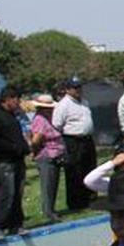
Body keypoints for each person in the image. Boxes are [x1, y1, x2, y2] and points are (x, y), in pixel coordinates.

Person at [0, 86, 31, 240]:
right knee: (7, 193)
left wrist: (24, 147)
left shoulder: (12, 116)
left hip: (17, 160)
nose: (18, 103)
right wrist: (13, 147)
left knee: (17, 193)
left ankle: (16, 224)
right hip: (5, 161)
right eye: (16, 99)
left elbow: (18, 136)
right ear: (8, 99)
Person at [52, 77, 96, 211]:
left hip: (87, 139)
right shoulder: (63, 105)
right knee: (75, 171)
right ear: (67, 89)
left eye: (79, 87)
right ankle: (76, 202)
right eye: (75, 88)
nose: (78, 90)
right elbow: (57, 124)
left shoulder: (84, 102)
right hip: (73, 140)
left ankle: (90, 198)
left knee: (89, 168)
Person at [30, 94, 65, 224]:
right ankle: (48, 211)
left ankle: (51, 209)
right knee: (47, 184)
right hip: (46, 155)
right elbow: (36, 139)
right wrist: (36, 150)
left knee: (53, 183)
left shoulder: (48, 118)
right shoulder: (40, 120)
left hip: (55, 154)